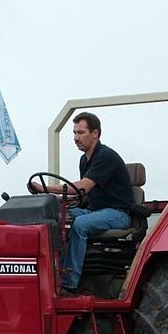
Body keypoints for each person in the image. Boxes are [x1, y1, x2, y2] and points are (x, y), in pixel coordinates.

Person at [29, 112, 134, 293]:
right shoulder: (84, 160)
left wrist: (46, 188)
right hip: (95, 211)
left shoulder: (106, 156)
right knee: (57, 216)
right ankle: (49, 272)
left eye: (81, 133)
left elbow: (83, 186)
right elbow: (82, 196)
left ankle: (67, 283)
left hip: (118, 213)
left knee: (80, 225)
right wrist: (54, 199)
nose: (76, 138)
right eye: (74, 133)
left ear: (95, 133)